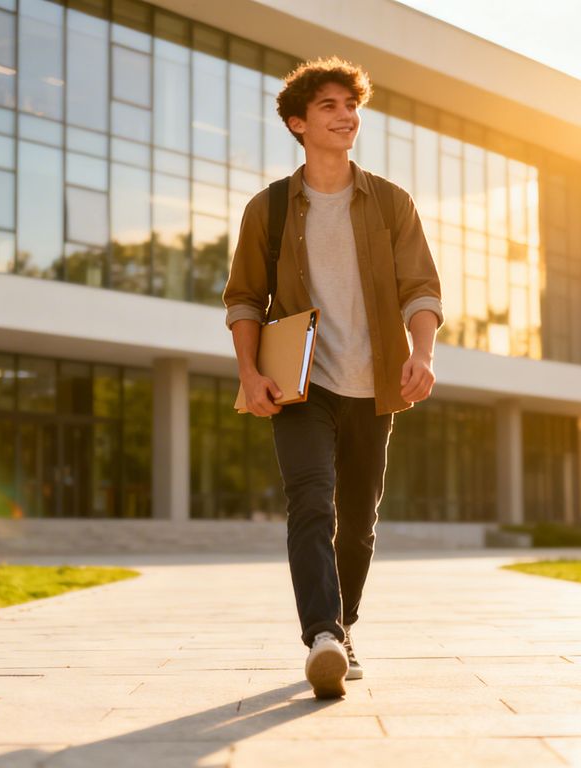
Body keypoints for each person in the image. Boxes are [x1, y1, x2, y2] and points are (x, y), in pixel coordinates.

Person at [222, 57, 443, 699]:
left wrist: (422, 353)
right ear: (298, 123)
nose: (347, 116)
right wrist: (249, 371)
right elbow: (243, 299)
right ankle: (321, 634)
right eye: (330, 106)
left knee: (358, 519)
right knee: (311, 501)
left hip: (374, 382)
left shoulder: (391, 202)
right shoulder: (267, 209)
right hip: (301, 383)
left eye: (352, 105)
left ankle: (343, 628)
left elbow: (420, 286)